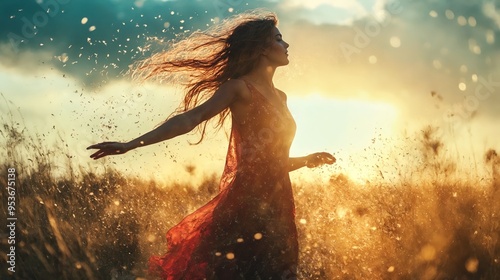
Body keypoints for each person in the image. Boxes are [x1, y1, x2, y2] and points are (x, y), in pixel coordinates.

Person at [87, 10, 335, 279]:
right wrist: (132, 143)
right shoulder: (238, 88)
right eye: (278, 39)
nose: (286, 45)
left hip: (280, 206)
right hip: (247, 204)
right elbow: (191, 119)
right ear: (262, 49)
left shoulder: (281, 98)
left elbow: (272, 163)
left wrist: (307, 159)